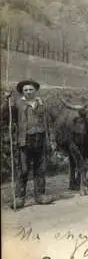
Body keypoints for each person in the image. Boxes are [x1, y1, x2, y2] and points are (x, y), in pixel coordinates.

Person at [3, 80, 55, 209]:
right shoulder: (16, 104)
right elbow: (5, 116)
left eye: (31, 89)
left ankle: (40, 195)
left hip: (40, 140)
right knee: (23, 170)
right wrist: (6, 101)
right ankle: (20, 198)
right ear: (22, 92)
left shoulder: (41, 104)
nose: (28, 92)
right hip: (24, 141)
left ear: (35, 90)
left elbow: (48, 123)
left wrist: (51, 139)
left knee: (40, 169)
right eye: (25, 90)